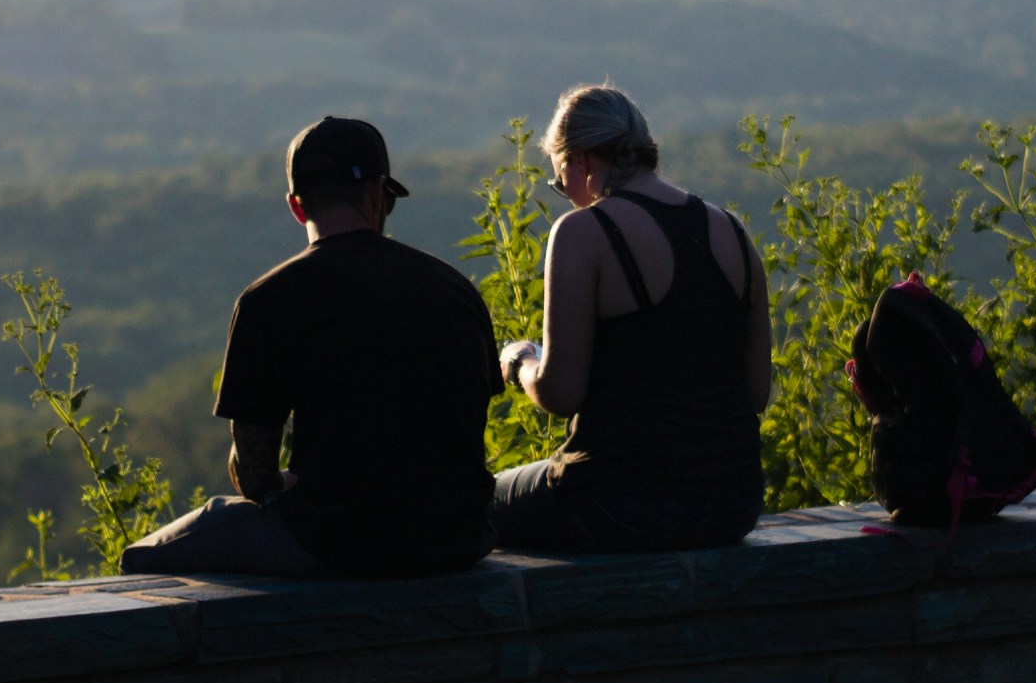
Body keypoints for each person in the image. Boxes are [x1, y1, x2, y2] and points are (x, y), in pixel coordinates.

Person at [121, 115, 500, 579]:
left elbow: (254, 475)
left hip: (333, 541)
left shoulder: (267, 301)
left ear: (297, 207)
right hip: (459, 537)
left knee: (141, 560)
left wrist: (284, 484)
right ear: (379, 196)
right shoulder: (455, 289)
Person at [492, 84, 772, 554]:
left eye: (560, 182)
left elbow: (561, 394)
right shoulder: (731, 230)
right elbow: (755, 393)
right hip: (732, 505)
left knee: (472, 507)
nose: (566, 197)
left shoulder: (586, 232)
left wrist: (521, 361)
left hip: (617, 504)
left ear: (580, 161)